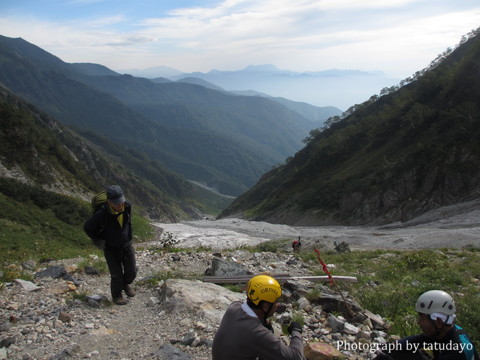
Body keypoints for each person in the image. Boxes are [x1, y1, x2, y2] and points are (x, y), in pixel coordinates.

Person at [212, 274, 305, 360]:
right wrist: (296, 331)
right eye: (275, 302)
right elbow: (295, 357)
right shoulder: (257, 333)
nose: (277, 305)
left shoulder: (233, 308)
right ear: (265, 307)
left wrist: (268, 314)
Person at [374, 290, 479, 360]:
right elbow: (420, 339)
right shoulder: (446, 331)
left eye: (422, 318)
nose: (419, 322)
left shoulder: (457, 352)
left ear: (438, 321)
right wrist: (394, 346)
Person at [84, 185, 137, 305]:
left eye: (121, 201)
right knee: (116, 274)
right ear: (109, 202)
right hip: (110, 248)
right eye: (117, 203)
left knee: (132, 271)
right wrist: (100, 241)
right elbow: (87, 227)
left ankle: (125, 284)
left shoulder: (127, 206)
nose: (120, 205)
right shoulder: (102, 213)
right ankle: (117, 295)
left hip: (126, 244)